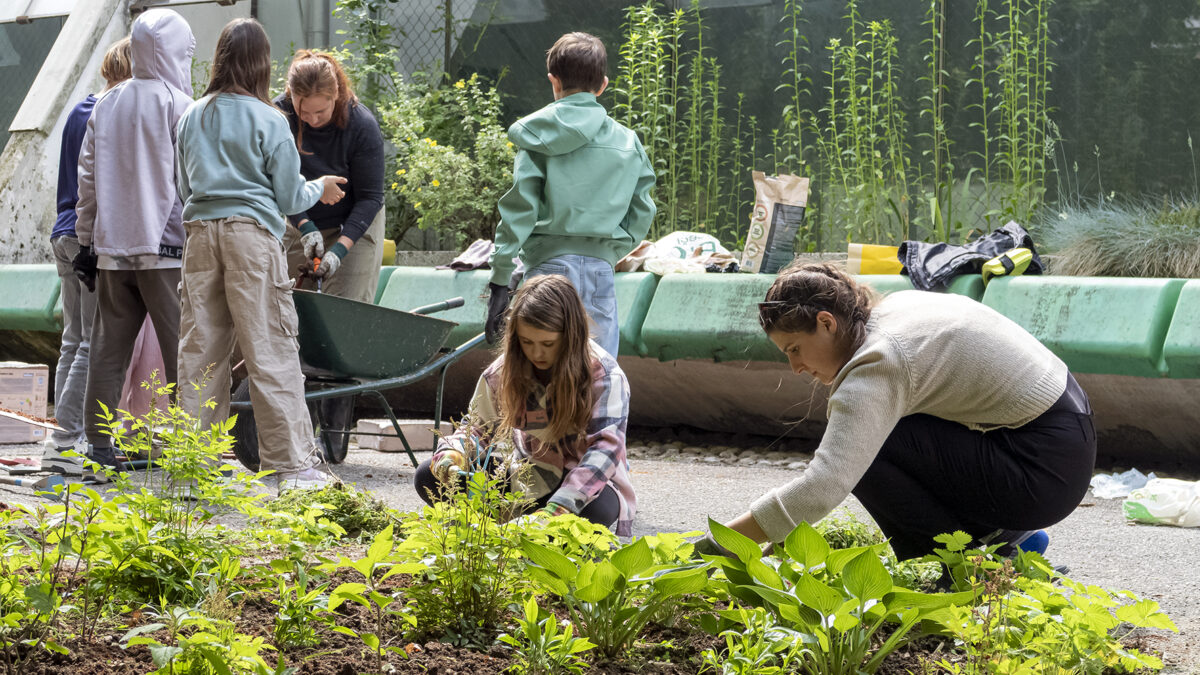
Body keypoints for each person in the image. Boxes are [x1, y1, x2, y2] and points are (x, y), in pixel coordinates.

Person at [702, 262, 1095, 561]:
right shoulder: (893, 308)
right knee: (882, 431)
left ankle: (955, 568)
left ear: (826, 323)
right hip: (1063, 437)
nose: (796, 368)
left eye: (794, 349)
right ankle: (1008, 537)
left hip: (1043, 470)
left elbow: (823, 487)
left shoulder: (879, 362)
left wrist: (715, 546)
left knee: (867, 452)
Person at [174, 18, 347, 492]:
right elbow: (291, 197)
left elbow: (182, 187)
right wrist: (321, 187)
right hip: (251, 239)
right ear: (263, 65)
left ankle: (195, 466)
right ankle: (291, 466)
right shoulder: (268, 118)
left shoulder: (191, 115)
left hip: (200, 236)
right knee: (269, 347)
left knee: (201, 353)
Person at [416, 274, 636, 536]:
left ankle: (532, 529)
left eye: (548, 344)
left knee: (593, 513)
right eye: (527, 342)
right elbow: (477, 428)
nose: (537, 354)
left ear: (571, 336)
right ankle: (514, 533)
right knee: (428, 476)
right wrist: (454, 454)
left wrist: (562, 505)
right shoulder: (502, 372)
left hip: (583, 485)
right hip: (526, 476)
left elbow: (605, 449)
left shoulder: (604, 375)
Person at [73, 9, 194, 475]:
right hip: (165, 250)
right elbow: (188, 183)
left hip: (111, 249)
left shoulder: (108, 103)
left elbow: (88, 180)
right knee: (185, 354)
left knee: (107, 351)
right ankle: (192, 454)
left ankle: (98, 450)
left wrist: (88, 241)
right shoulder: (179, 105)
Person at [485, 32, 656, 358]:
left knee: (540, 373)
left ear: (554, 81)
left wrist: (500, 279)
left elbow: (519, 209)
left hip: (546, 271)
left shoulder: (537, 136)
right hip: (599, 272)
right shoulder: (627, 141)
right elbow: (643, 209)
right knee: (596, 374)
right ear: (603, 85)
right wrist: (610, 249)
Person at [41, 37, 131, 475]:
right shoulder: (112, 112)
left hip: (63, 234)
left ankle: (61, 436)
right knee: (90, 345)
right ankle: (67, 439)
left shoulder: (81, 108)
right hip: (88, 238)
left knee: (73, 339)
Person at [275, 50, 385, 303]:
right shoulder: (278, 115)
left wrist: (338, 251)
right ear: (291, 95)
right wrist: (304, 226)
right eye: (304, 113)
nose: (312, 120)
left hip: (354, 219)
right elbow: (278, 182)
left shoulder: (362, 125)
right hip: (299, 217)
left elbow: (370, 198)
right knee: (287, 304)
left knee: (346, 308)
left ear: (335, 95)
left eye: (320, 112)